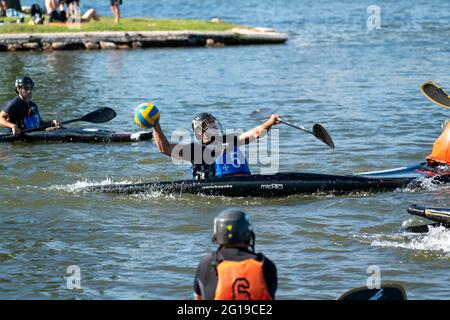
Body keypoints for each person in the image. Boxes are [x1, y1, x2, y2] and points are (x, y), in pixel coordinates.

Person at [152, 112, 280, 180]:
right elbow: (165, 148)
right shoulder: (195, 150)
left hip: (240, 181)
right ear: (199, 132)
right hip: (210, 186)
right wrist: (155, 125)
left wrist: (270, 122)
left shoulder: (230, 140)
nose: (213, 125)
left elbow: (255, 133)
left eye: (214, 123)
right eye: (208, 124)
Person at [193, 208, 277, 300]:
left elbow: (198, 298)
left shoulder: (207, 264)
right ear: (248, 236)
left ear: (217, 235)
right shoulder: (266, 265)